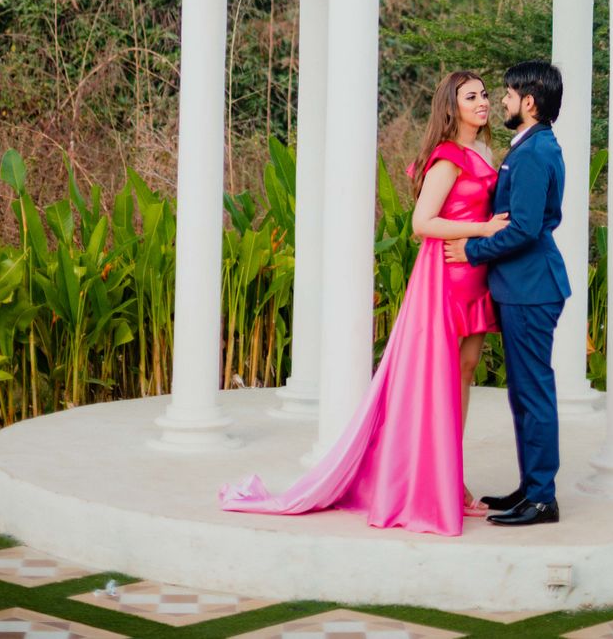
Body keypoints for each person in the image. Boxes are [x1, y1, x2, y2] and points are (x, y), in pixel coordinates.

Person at [219, 70, 508, 537]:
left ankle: (452, 477)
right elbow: (421, 223)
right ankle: (434, 482)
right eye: (472, 96)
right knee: (436, 380)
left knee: (468, 369)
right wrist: (483, 231)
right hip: (445, 275)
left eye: (485, 95)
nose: (484, 102)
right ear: (451, 108)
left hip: (477, 273)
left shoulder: (486, 152)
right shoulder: (448, 158)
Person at [444, 59, 570, 527]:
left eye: (509, 95)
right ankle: (530, 488)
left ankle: (543, 499)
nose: (501, 101)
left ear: (529, 102)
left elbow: (525, 228)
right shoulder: (528, 147)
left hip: (531, 288)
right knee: (523, 392)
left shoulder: (535, 152)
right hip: (522, 286)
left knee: (533, 392)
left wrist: (473, 250)